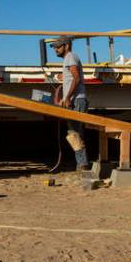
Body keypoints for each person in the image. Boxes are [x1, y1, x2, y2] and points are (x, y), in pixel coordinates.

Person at [50, 35, 90, 171]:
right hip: (75, 99)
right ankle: (82, 164)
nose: (55, 49)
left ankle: (82, 165)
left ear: (66, 46)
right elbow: (72, 78)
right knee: (75, 134)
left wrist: (67, 98)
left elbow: (76, 78)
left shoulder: (70, 57)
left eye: (58, 46)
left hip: (77, 100)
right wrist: (64, 97)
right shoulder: (68, 58)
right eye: (54, 47)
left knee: (75, 134)